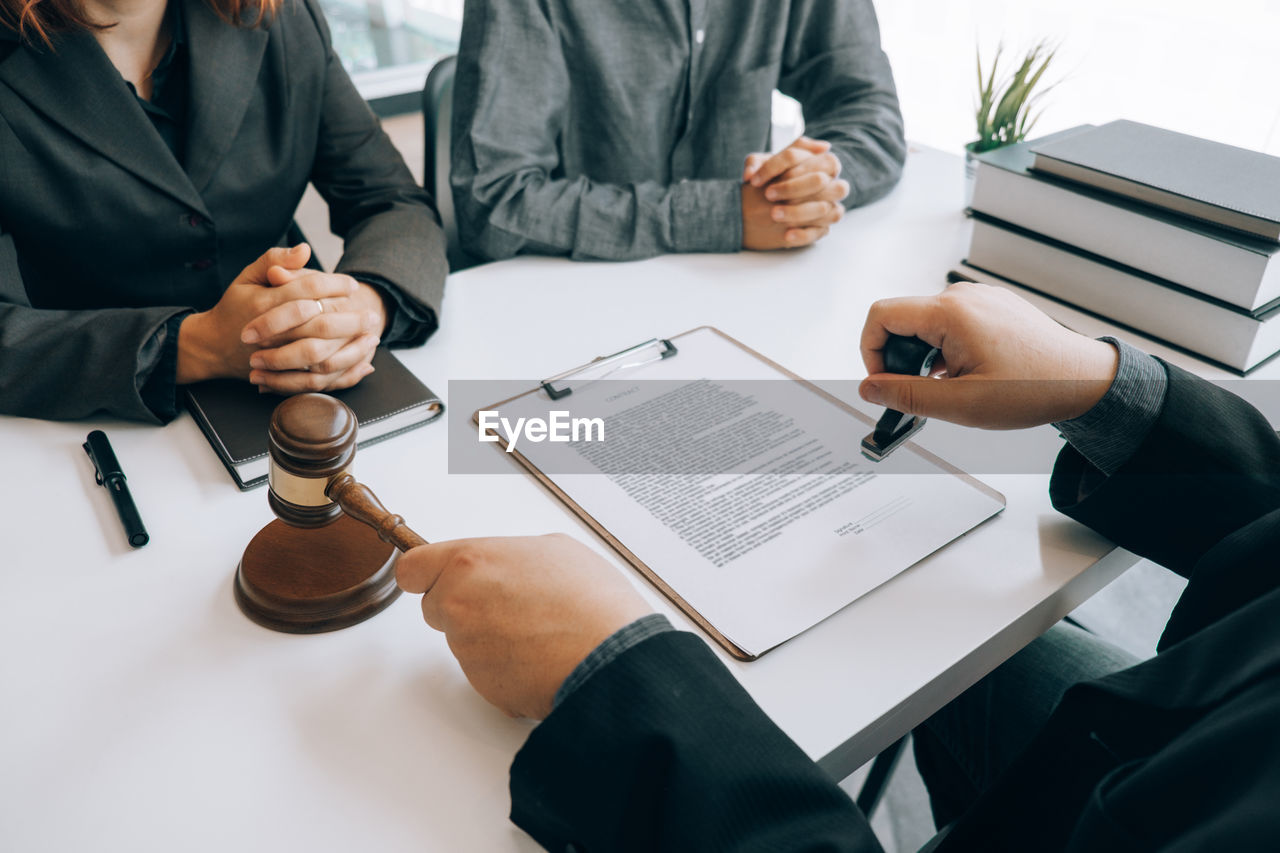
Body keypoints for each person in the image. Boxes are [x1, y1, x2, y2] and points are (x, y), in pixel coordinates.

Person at [395, 283, 1280, 850]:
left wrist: (625, 687)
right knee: (956, 637)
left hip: (1177, 787)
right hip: (1211, 700)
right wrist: (1098, 383)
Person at [0, 0, 447, 423]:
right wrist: (197, 346)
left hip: (305, 392)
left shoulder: (279, 15)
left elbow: (392, 200)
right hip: (93, 419)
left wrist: (363, 310)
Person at [451, 0, 906, 262]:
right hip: (581, 294)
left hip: (750, 283)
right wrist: (718, 217)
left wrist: (807, 185)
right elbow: (492, 200)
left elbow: (869, 112)